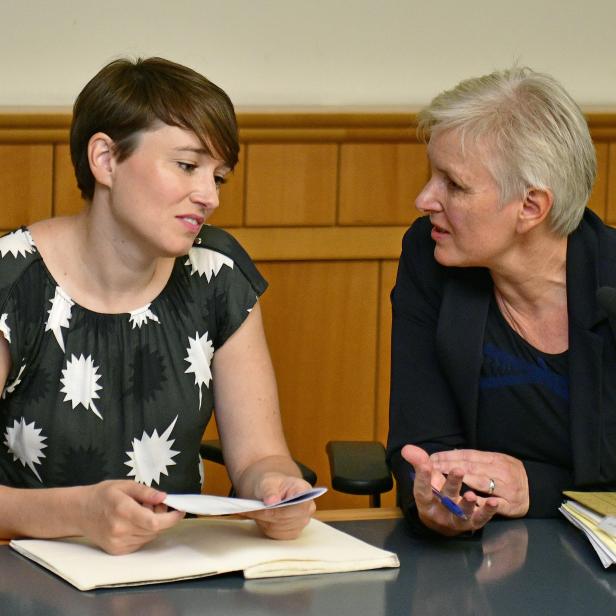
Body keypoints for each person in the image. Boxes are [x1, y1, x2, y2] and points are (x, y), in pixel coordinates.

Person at [0, 57, 314, 554]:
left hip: (174, 573)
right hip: (30, 574)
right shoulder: (12, 281)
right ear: (105, 160)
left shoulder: (218, 272)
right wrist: (80, 513)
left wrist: (278, 489)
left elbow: (259, 457)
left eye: (219, 177)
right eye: (188, 166)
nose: (209, 196)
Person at [386, 66, 616, 537]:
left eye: (454, 184)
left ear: (531, 207)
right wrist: (433, 499)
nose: (424, 198)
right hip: (482, 557)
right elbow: (421, 441)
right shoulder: (429, 255)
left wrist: (537, 488)